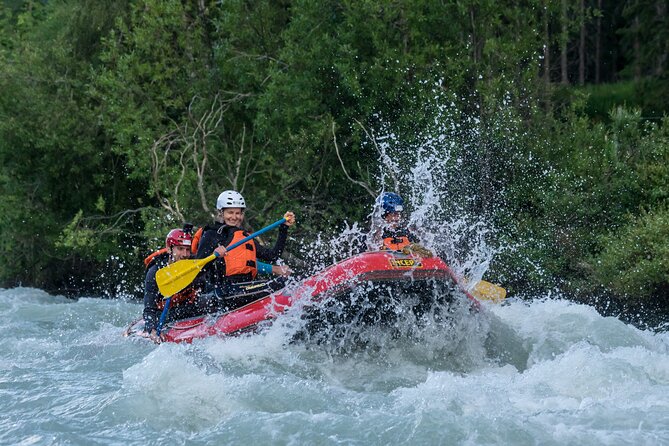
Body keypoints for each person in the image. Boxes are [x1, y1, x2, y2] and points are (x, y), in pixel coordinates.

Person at [194, 190, 296, 306]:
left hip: (246, 287)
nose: (234, 217)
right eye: (230, 212)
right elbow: (198, 269)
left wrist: (283, 229)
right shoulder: (211, 234)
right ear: (221, 213)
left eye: (238, 213)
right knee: (282, 283)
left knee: (288, 281)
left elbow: (273, 255)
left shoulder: (245, 237)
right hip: (224, 291)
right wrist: (214, 255)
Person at [143, 228, 202, 343]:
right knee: (175, 312)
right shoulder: (155, 272)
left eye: (187, 250)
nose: (185, 255)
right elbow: (149, 307)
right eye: (180, 249)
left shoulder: (194, 265)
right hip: (165, 314)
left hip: (189, 309)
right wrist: (152, 330)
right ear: (170, 249)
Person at [368, 191, 432, 257]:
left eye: (399, 214)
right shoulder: (372, 237)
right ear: (384, 215)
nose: (397, 218)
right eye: (394, 214)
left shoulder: (408, 233)